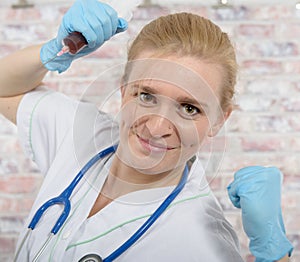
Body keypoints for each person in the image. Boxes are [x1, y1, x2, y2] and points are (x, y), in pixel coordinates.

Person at [0, 0, 293, 261]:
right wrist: (56, 50)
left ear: (219, 120)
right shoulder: (82, 134)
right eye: (146, 96)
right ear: (124, 89)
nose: (156, 128)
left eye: (189, 108)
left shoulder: (202, 241)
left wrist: (274, 253)